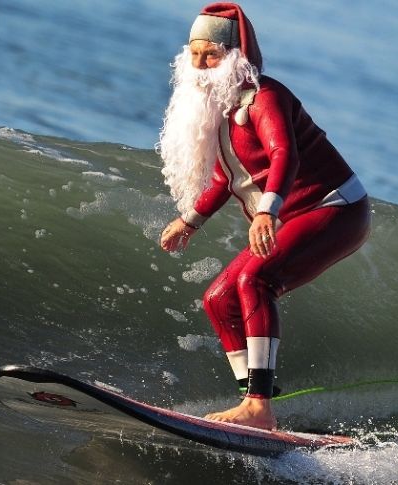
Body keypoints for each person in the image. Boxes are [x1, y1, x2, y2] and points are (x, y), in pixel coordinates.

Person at [157, 2, 371, 430]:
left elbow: (283, 154)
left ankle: (258, 407)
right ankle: (253, 401)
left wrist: (266, 212)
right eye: (194, 54)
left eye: (211, 55)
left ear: (236, 55)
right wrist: (190, 220)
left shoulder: (264, 97)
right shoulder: (219, 110)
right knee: (218, 298)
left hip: (335, 208)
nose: (200, 65)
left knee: (254, 280)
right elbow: (225, 178)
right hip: (293, 215)